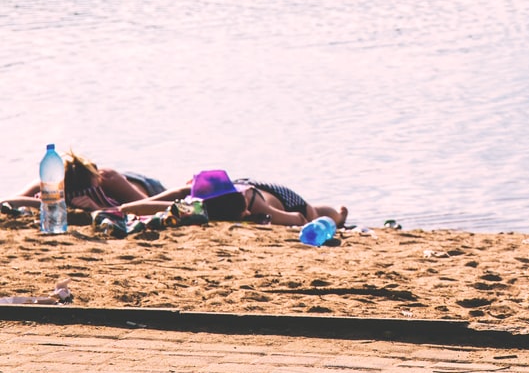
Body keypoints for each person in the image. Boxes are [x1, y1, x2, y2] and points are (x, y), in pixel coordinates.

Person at [147, 170, 348, 227]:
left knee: (315, 213)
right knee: (181, 192)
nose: (248, 214)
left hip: (283, 198)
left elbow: (299, 218)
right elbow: (174, 197)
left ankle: (339, 216)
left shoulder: (257, 207)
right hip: (232, 189)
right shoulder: (206, 196)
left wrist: (257, 217)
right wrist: (125, 208)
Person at [4, 152, 174, 217]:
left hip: (148, 187)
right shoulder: (49, 185)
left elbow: (146, 205)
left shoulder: (107, 178)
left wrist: (98, 207)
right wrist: (58, 204)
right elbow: (10, 201)